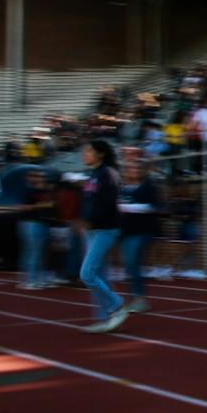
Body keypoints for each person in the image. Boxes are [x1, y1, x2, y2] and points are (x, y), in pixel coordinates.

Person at [78, 140, 129, 333]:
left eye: (89, 151)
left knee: (87, 273)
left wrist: (90, 220)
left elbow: (108, 203)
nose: (85, 154)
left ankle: (117, 306)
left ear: (100, 154)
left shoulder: (108, 174)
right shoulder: (93, 174)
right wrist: (84, 220)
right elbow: (90, 201)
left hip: (105, 229)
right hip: (92, 230)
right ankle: (105, 317)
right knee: (100, 274)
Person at [118, 154, 162, 312]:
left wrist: (130, 207)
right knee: (130, 266)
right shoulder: (122, 188)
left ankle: (140, 299)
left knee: (133, 264)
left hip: (143, 231)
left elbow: (155, 206)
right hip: (126, 232)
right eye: (131, 168)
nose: (134, 170)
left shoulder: (149, 187)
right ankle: (137, 298)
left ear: (143, 170)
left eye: (137, 168)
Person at [16, 169, 55, 290]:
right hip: (31, 223)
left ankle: (39, 279)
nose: (39, 178)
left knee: (40, 252)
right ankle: (30, 280)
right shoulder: (28, 191)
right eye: (35, 176)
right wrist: (43, 205)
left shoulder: (45, 191)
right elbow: (24, 207)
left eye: (41, 176)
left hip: (42, 223)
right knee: (33, 252)